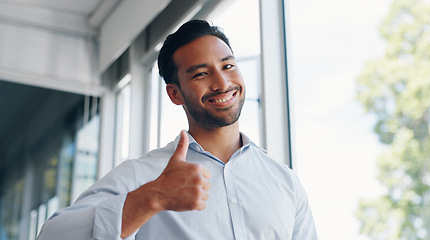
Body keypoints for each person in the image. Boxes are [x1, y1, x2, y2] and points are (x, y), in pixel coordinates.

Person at [37, 19, 317, 240]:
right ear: (175, 94)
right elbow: (53, 235)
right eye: (201, 74)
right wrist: (152, 197)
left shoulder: (286, 182)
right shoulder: (145, 175)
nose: (221, 83)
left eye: (228, 65)